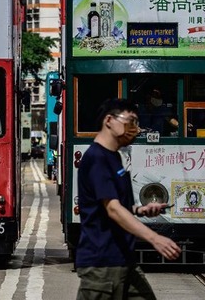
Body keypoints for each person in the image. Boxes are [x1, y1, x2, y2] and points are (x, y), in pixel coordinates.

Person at [75, 98, 180, 300]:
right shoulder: (97, 158)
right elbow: (112, 209)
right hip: (102, 263)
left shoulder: (114, 156)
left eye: (137, 123)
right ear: (109, 120)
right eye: (130, 121)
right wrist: (155, 238)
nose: (136, 128)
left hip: (123, 257)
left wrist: (141, 209)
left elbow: (117, 204)